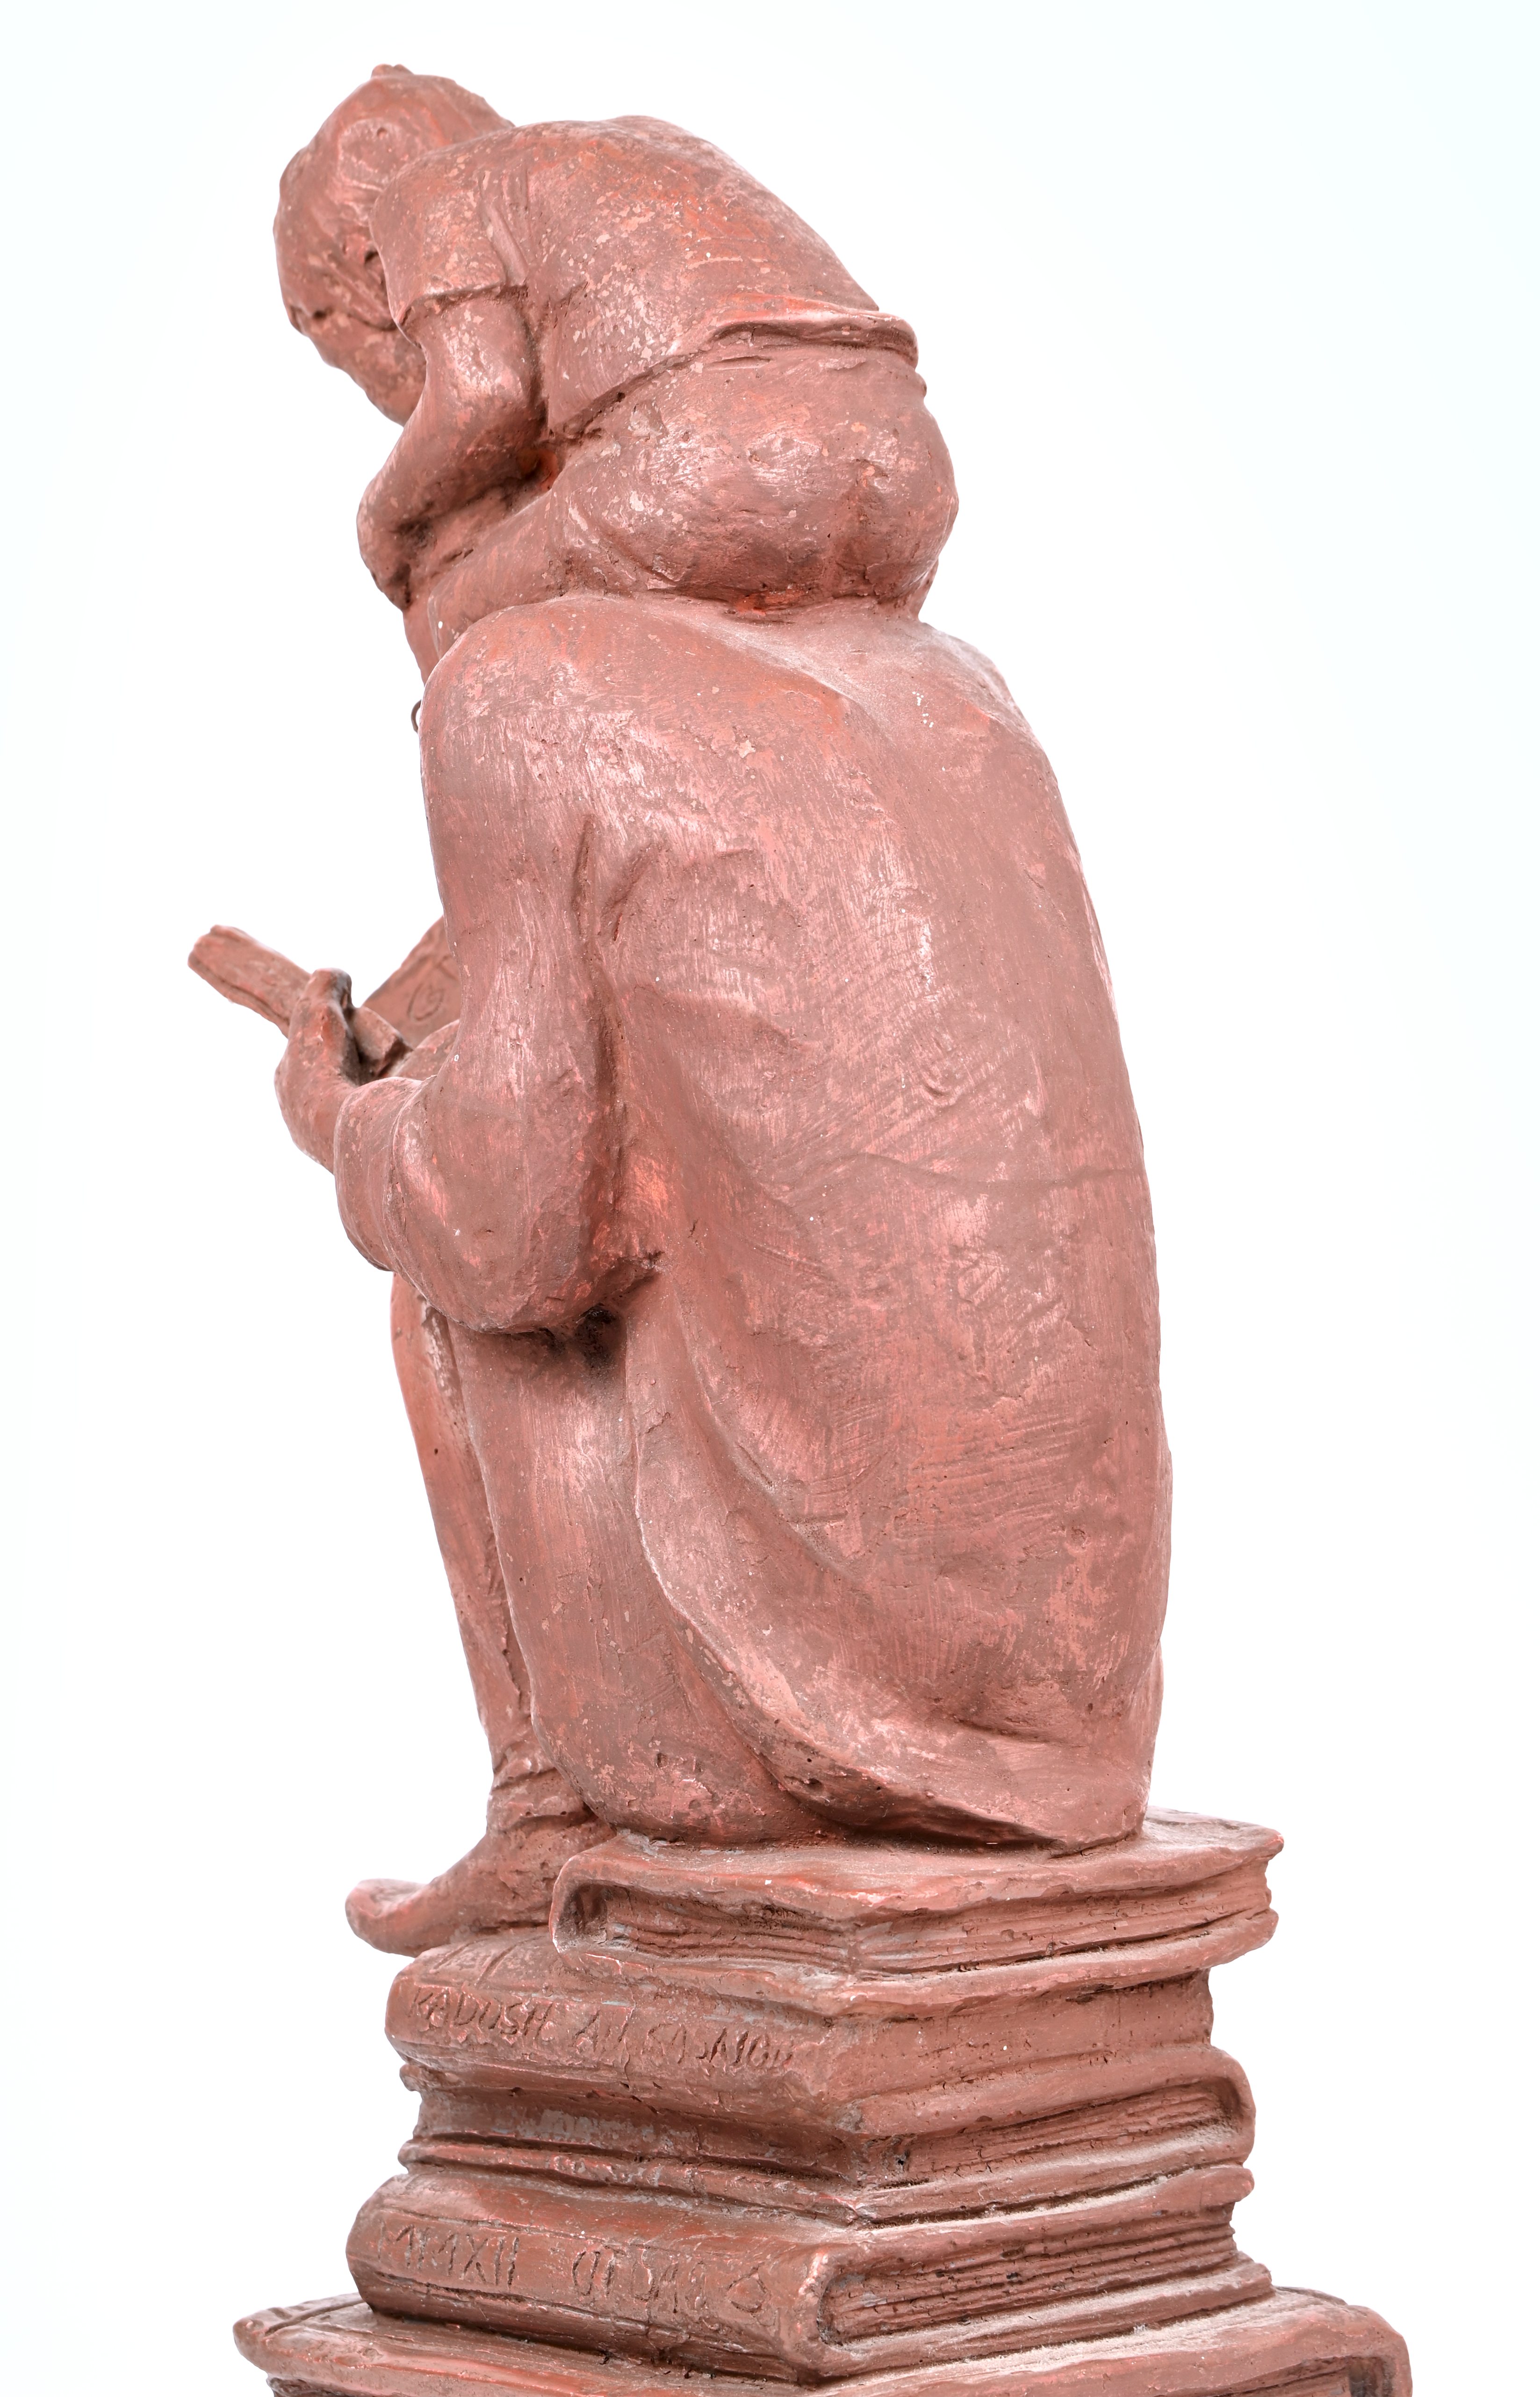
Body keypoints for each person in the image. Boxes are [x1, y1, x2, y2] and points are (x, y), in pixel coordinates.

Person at [272, 72, 1170, 1947]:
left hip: (822, 1717)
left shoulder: (520, 689)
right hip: (1079, 1715)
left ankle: (548, 1806)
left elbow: (518, 1227)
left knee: (448, 1291)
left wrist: (349, 1125)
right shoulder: (948, 687)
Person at [275, 68, 957, 673]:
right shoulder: (647, 139)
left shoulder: (423, 191)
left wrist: (382, 523)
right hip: (908, 467)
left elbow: (485, 396)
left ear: (369, 263)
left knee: (445, 617)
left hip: (715, 460)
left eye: (332, 323)